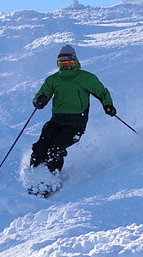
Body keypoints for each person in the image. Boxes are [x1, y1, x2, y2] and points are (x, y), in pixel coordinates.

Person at [30, 45, 116, 173]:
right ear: (58, 64)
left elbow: (102, 92)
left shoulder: (86, 78)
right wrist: (39, 101)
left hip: (76, 123)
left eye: (69, 63)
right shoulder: (53, 80)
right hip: (57, 120)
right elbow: (41, 97)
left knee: (55, 148)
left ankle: (51, 177)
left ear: (75, 62)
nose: (66, 67)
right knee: (40, 146)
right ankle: (34, 175)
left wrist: (108, 105)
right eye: (62, 64)